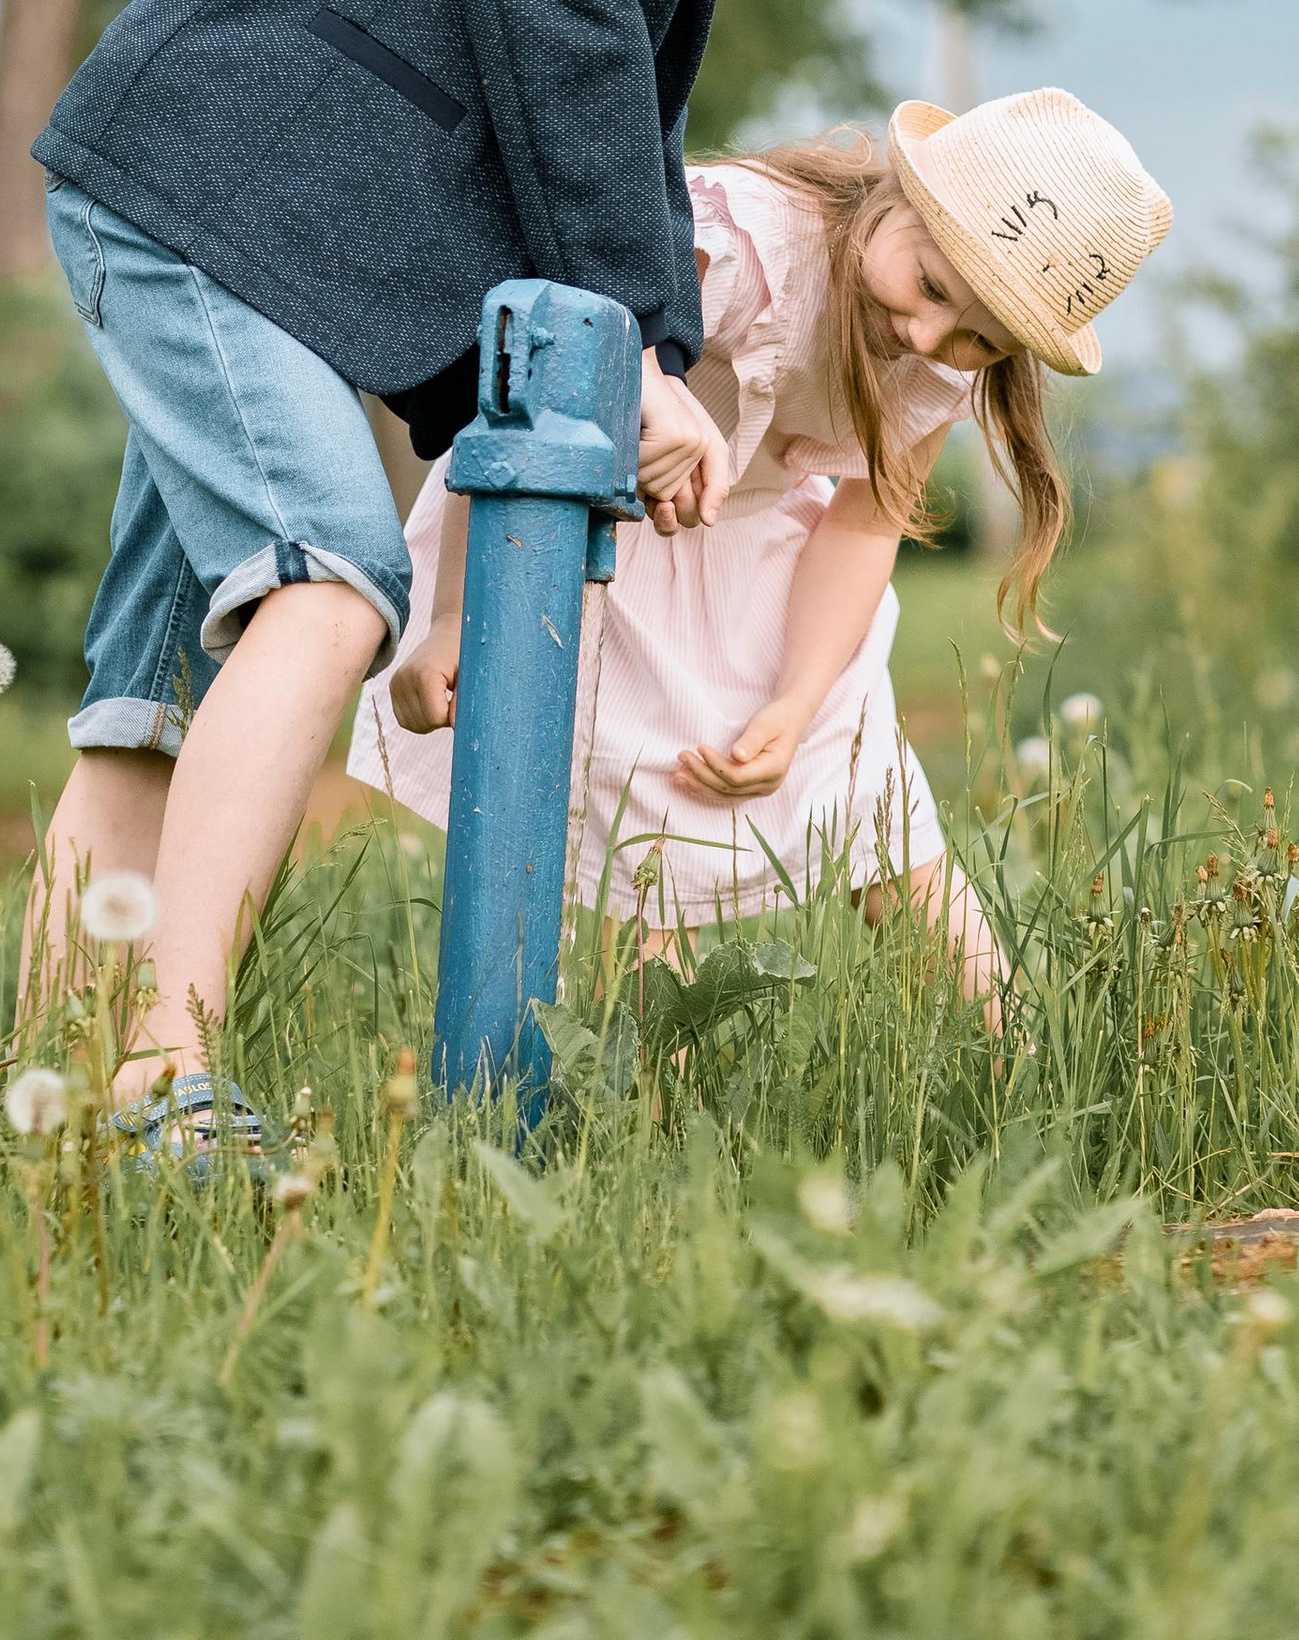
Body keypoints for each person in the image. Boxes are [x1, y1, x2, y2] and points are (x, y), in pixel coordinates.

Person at [18, 0, 1011, 1155]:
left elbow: (631, 110)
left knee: (159, 705)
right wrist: (634, 351)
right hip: (211, 181)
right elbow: (556, 31)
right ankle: (159, 1081)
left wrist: (561, 394)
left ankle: (31, 1105)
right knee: (328, 593)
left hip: (310, 241)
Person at [357, 83, 1171, 1011]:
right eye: (933, 287)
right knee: (653, 848)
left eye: (981, 339)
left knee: (879, 808)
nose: (929, 336)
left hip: (766, 555)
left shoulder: (940, 354)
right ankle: (646, 1096)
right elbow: (527, 408)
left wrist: (798, 696)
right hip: (594, 533)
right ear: (898, 199)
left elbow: (866, 519)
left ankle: (1019, 1055)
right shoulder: (740, 252)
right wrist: (463, 613)